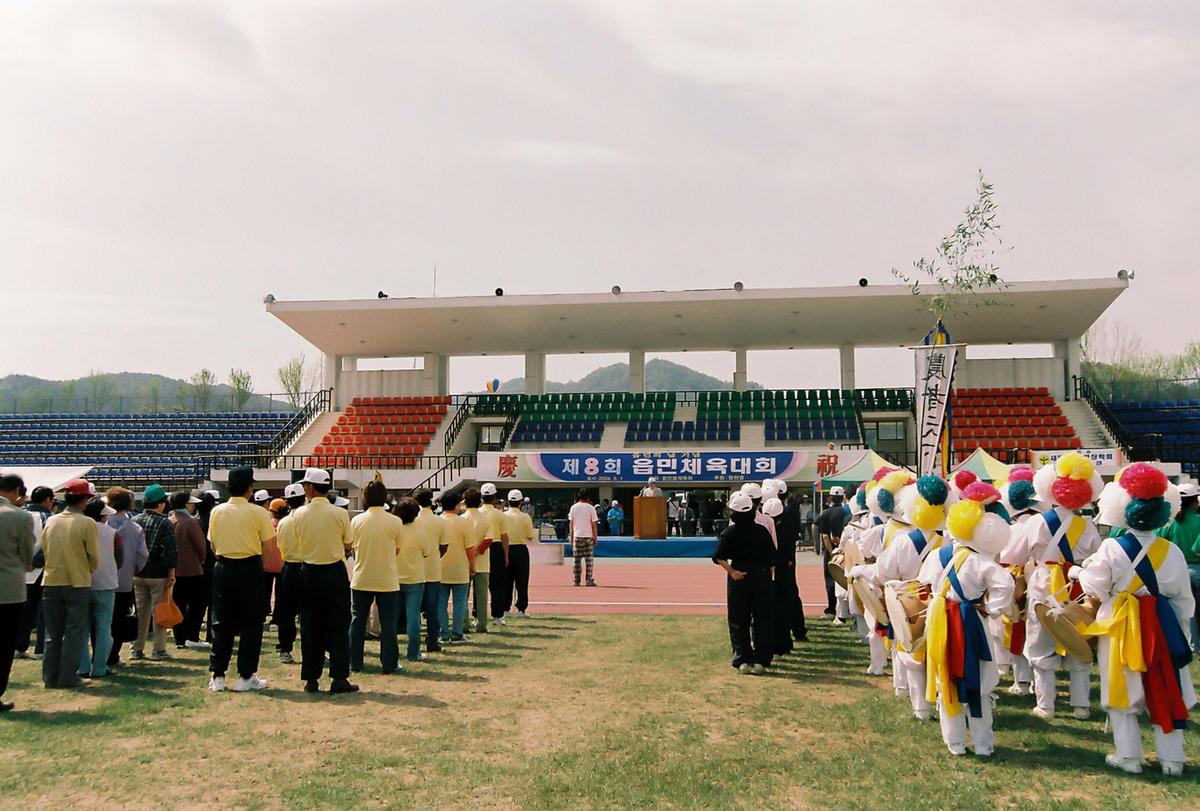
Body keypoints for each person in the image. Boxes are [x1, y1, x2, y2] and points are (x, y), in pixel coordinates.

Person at [1079, 463, 1193, 776]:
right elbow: (1184, 600)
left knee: (1122, 688)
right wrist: (1178, 632)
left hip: (1119, 623)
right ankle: (1173, 760)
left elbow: (1095, 589)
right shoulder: (1171, 551)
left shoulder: (1111, 547)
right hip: (1162, 623)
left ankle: (1129, 756)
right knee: (1166, 685)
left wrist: (1080, 572)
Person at [1000, 453, 1102, 720]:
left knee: (1039, 645)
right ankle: (1081, 706)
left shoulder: (1036, 522)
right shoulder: (1088, 525)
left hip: (1044, 585)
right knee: (1079, 643)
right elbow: (1096, 556)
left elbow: (1011, 556)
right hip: (1077, 587)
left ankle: (1046, 705)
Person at [920, 484, 1014, 758]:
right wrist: (990, 609)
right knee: (980, 680)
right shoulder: (981, 561)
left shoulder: (938, 555)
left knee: (945, 679)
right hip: (972, 621)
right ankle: (984, 743)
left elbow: (923, 585)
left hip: (940, 622)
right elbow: (1005, 586)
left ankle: (955, 743)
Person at [851, 475, 951, 720]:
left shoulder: (905, 541)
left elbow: (881, 573)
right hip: (941, 602)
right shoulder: (949, 539)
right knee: (939, 652)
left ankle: (917, 704)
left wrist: (858, 570)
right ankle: (940, 699)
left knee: (908, 651)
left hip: (908, 601)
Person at [206, 466, 275, 692]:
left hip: (224, 565)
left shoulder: (218, 511)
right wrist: (257, 566)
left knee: (221, 620)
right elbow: (267, 547)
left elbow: (213, 545)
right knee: (251, 623)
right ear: (249, 488)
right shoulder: (258, 513)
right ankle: (246, 675)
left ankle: (218, 675)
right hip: (250, 566)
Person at [291, 467, 356, 694]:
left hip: (308, 571)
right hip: (334, 571)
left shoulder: (299, 514)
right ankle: (339, 677)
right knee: (338, 625)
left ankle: (311, 678)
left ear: (310, 487)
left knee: (310, 625)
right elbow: (348, 543)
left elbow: (298, 541)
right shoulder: (339, 514)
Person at [39, 479, 99, 689]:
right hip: (77, 581)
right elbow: (93, 556)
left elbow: (45, 548)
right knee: (74, 631)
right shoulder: (87, 523)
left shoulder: (52, 521)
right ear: (84, 500)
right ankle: (68, 676)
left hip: (51, 580)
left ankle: (49, 676)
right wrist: (87, 568)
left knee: (53, 633)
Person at [713, 491, 775, 675]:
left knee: (738, 618)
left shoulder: (729, 532)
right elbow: (772, 559)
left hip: (738, 576)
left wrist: (732, 572)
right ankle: (761, 661)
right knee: (762, 618)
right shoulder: (762, 531)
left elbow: (718, 556)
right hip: (761, 576)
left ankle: (742, 660)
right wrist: (765, 576)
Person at [349, 480, 403, 674]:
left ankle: (354, 662)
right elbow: (397, 549)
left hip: (362, 576)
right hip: (387, 578)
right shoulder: (395, 521)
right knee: (388, 623)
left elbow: (352, 546)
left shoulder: (356, 520)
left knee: (357, 621)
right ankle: (389, 663)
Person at [0, 474, 36, 710]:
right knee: (4, 643)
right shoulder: (20, 517)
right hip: (8, 588)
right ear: (15, 491)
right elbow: (27, 557)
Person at [131, 484, 177, 661]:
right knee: (160, 612)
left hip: (138, 574)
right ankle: (158, 649)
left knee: (140, 613)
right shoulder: (164, 523)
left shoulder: (135, 521)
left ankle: (136, 648)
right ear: (160, 504)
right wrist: (171, 572)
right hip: (158, 574)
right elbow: (171, 551)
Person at [77, 497, 120, 680]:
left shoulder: (80, 530)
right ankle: (100, 667)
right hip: (106, 583)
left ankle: (83, 666)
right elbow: (120, 559)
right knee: (103, 628)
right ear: (103, 516)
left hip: (84, 582)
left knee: (82, 628)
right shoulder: (112, 533)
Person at [104, 488, 147, 669]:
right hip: (124, 581)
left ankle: (99, 655)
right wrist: (132, 570)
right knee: (119, 620)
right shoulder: (135, 528)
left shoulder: (101, 525)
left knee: (100, 621)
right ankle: (113, 655)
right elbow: (142, 555)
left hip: (100, 580)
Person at [1162, 482, 1200, 653]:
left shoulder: (1169, 522)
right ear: (1194, 501)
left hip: (1176, 571)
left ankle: (1191, 644)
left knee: (1185, 610)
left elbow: (1160, 544)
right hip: (1197, 568)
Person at [16, 485, 52, 660]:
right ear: (47, 500)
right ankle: (40, 648)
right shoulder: (49, 518)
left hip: (18, 569)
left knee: (23, 610)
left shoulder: (19, 515)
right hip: (42, 570)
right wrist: (35, 562)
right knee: (43, 611)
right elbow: (49, 544)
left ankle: (20, 646)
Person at [170, 491, 209, 651]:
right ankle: (192, 636)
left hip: (175, 570)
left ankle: (179, 638)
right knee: (197, 605)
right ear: (187, 504)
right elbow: (201, 547)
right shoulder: (190, 522)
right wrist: (201, 560)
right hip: (192, 570)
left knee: (178, 604)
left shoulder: (170, 520)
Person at [273, 483, 306, 664]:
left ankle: (285, 648)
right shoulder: (307, 519)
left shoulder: (283, 522)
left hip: (288, 568)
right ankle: (315, 647)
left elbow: (280, 546)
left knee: (287, 612)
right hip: (306, 566)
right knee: (310, 610)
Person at [438, 490, 473, 644]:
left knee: (440, 604)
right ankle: (457, 633)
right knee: (460, 603)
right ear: (457, 505)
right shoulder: (464, 522)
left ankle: (443, 633)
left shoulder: (438, 520)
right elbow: (469, 548)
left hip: (440, 568)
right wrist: (473, 566)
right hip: (460, 567)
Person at [413, 489, 444, 653]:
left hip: (414, 569)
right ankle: (432, 641)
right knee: (432, 609)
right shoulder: (438, 520)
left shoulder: (412, 519)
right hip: (433, 569)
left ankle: (413, 642)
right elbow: (444, 546)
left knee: (413, 609)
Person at [479, 483, 510, 628]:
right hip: (496, 547)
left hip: (481, 547)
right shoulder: (500, 514)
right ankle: (497, 615)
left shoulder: (478, 513)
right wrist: (506, 555)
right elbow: (504, 536)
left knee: (480, 583)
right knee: (497, 584)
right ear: (494, 497)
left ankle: (477, 615)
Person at [817, 486, 849, 616]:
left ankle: (831, 607)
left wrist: (831, 552)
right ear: (843, 497)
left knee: (830, 579)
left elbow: (824, 535)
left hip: (831, 549)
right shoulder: (847, 512)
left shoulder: (825, 513)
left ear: (830, 497)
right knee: (844, 578)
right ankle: (846, 609)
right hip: (845, 549)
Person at [504, 490, 535, 617]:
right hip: (521, 550)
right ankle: (521, 609)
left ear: (508, 501)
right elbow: (530, 536)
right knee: (522, 581)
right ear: (521, 502)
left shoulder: (503, 516)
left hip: (506, 549)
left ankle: (505, 608)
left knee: (506, 581)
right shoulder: (525, 517)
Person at [569, 490, 599, 587]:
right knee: (589, 560)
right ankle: (588, 579)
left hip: (577, 536)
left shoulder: (573, 507)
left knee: (576, 560)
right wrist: (595, 537)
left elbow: (571, 524)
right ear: (588, 498)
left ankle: (576, 580)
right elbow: (594, 524)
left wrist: (571, 537)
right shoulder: (591, 508)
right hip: (588, 536)